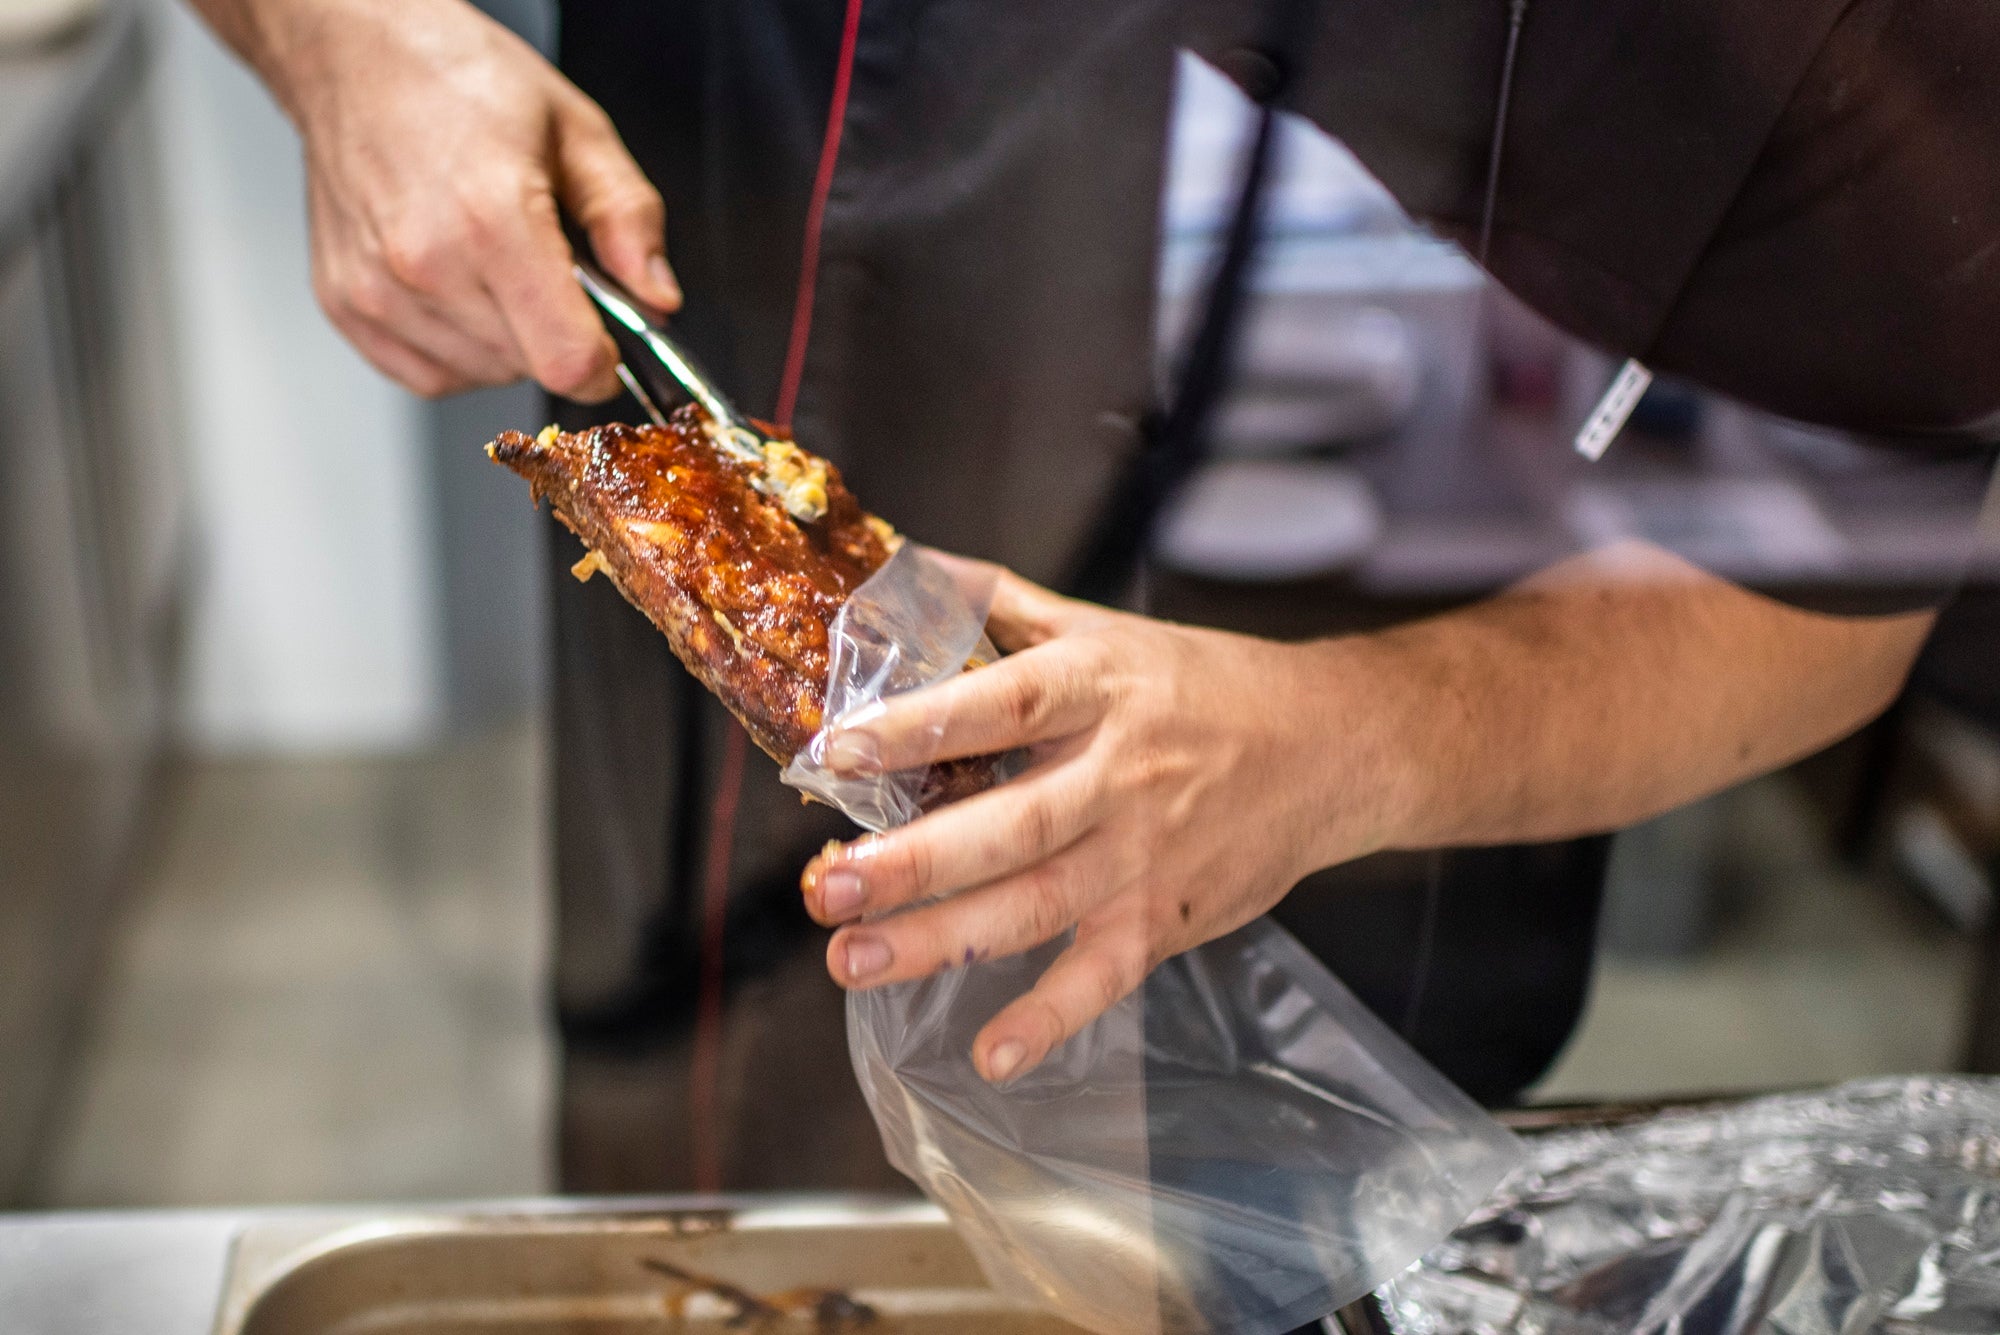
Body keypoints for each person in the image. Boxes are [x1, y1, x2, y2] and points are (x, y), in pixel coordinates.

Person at [184, 0, 1999, 1187]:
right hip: (742, 798)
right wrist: (344, 39)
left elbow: (1849, 544)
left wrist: (1365, 740)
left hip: (1392, 873)